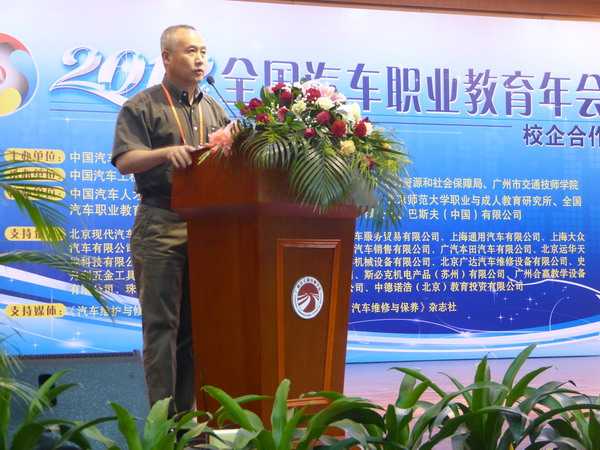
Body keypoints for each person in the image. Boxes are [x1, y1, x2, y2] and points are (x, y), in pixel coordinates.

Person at [111, 24, 229, 415]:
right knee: (162, 328)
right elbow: (125, 160)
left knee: (195, 331)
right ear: (166, 57)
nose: (200, 59)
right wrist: (165, 153)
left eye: (203, 52)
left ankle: (188, 422)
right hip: (161, 222)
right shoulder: (141, 106)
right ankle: (163, 425)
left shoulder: (215, 108)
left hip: (204, 227)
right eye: (190, 51)